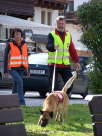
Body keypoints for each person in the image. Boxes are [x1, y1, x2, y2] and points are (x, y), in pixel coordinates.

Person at [46, 16, 80, 97]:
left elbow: (72, 49)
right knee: (53, 86)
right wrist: (53, 47)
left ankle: (62, 97)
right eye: (59, 23)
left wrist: (76, 61)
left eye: (63, 23)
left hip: (65, 64)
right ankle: (53, 101)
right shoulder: (51, 34)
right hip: (54, 64)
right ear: (57, 24)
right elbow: (48, 46)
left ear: (65, 24)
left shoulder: (68, 35)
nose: (61, 25)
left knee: (70, 84)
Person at [4, 28, 29, 105]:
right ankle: (22, 102)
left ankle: (11, 102)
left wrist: (28, 69)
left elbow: (26, 57)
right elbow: (5, 57)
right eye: (16, 34)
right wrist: (5, 70)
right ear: (13, 35)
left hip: (21, 68)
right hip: (12, 68)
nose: (17, 36)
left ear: (21, 35)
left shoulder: (24, 44)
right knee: (19, 81)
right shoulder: (10, 44)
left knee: (15, 85)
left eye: (19, 34)